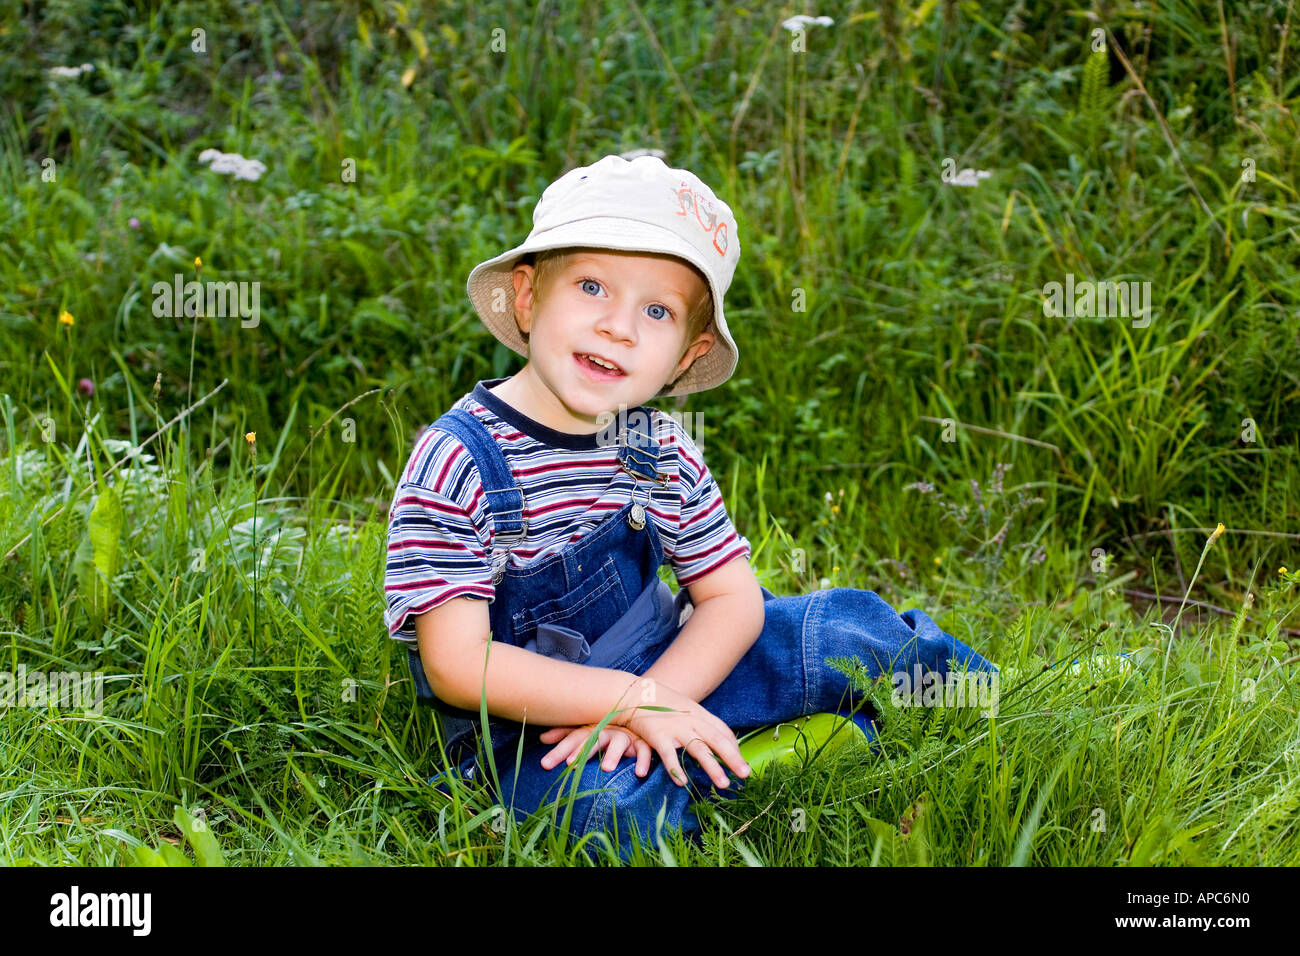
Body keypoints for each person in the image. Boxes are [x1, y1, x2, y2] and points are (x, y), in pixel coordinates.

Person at [384, 153, 997, 862]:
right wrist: (628, 707)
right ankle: (752, 765)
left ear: (687, 354)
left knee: (845, 627)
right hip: (533, 730)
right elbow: (462, 664)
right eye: (591, 286)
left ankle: (986, 697)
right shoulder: (459, 462)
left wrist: (659, 695)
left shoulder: (656, 449)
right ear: (527, 297)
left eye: (657, 310)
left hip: (674, 665)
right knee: (600, 816)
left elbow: (731, 601)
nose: (620, 327)